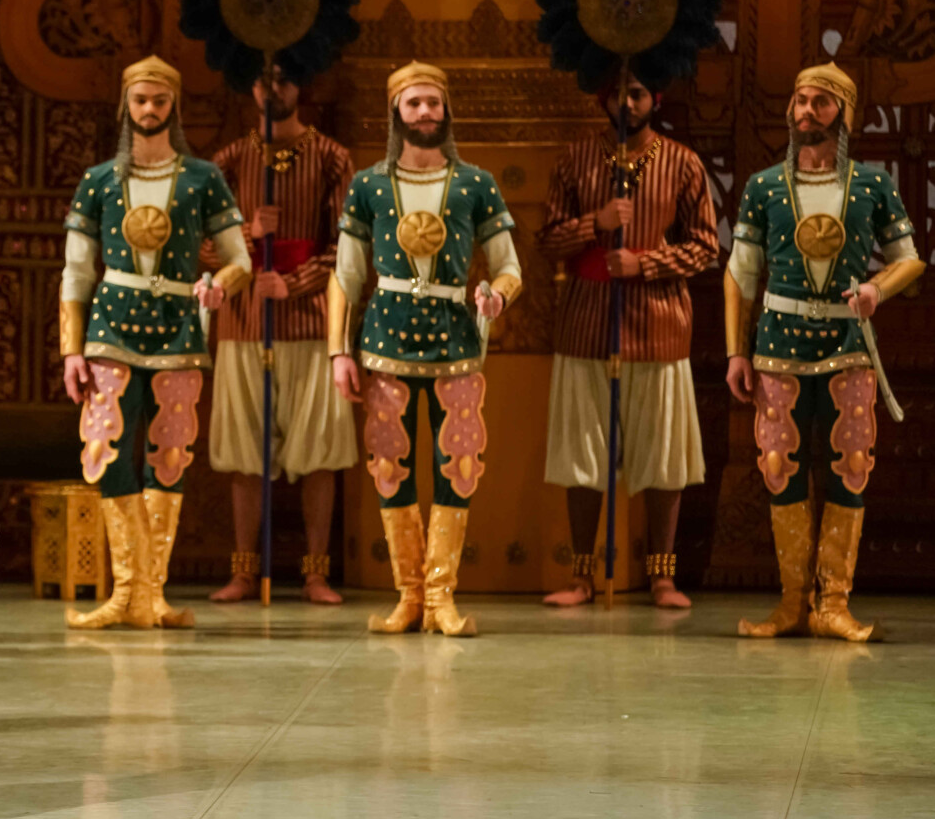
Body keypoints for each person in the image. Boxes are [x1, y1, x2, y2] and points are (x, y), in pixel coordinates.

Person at [727, 63, 922, 642]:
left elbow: (909, 258)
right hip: (778, 349)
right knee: (778, 468)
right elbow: (740, 273)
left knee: (851, 467)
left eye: (821, 102)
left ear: (844, 114)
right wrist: (736, 352)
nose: (807, 111)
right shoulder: (764, 187)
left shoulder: (872, 185)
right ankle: (792, 602)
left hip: (848, 348)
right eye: (801, 100)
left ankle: (832, 603)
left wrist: (876, 289)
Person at [327, 61, 522, 637]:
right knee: (391, 466)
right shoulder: (368, 185)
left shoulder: (475, 183)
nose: (425, 112)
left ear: (446, 110)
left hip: (455, 341)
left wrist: (497, 296)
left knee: (457, 465)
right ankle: (409, 597)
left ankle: (441, 597)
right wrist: (338, 351)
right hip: (384, 342)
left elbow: (510, 266)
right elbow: (347, 274)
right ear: (396, 111)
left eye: (433, 102)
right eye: (413, 103)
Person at [60, 55, 252, 630]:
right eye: (140, 100)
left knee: (169, 455)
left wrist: (219, 284)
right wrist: (71, 349)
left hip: (179, 330)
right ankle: (127, 593)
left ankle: (152, 594)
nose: (149, 109)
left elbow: (240, 260)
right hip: (110, 330)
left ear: (174, 106)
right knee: (105, 451)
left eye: (159, 100)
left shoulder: (203, 178)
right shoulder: (98, 180)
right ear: (126, 105)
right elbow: (76, 271)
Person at [537, 76, 717, 608]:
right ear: (604, 98)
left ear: (655, 98)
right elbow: (546, 241)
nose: (629, 103)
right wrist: (593, 223)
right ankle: (581, 576)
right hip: (586, 325)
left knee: (663, 455)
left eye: (638, 93)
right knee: (582, 455)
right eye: (619, 93)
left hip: (659, 325)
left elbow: (706, 246)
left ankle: (662, 576)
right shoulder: (576, 159)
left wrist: (646, 263)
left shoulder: (683, 162)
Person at [205, 66, 357, 605]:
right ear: (250, 86)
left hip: (311, 322)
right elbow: (200, 243)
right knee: (244, 450)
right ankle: (244, 570)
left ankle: (316, 572)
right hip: (244, 322)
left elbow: (347, 246)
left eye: (284, 80)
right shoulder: (227, 162)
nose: (273, 89)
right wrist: (248, 237)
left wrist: (293, 282)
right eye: (263, 80)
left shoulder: (332, 157)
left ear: (301, 86)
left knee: (319, 450)